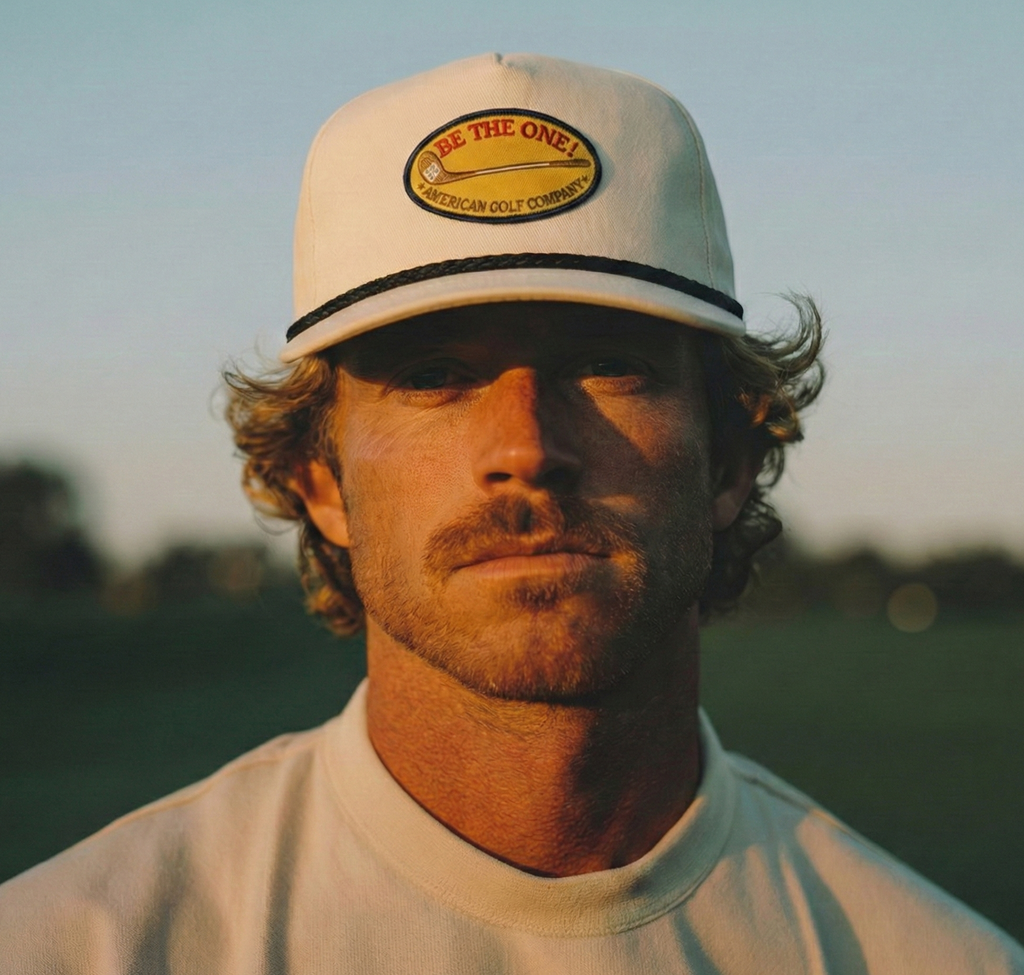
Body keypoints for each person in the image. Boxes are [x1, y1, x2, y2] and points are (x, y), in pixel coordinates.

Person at [1, 52, 1021, 974]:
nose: (527, 448)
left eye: (607, 362)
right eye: (434, 374)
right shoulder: (73, 945)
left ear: (730, 459)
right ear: (320, 480)